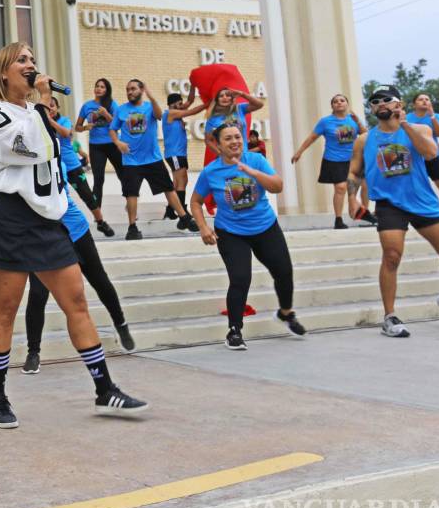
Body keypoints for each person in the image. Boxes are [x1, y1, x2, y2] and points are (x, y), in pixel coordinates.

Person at [0, 41, 147, 429]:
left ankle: (104, 389)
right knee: (6, 308)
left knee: (76, 300)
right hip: (7, 212)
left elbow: (55, 150)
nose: (31, 65)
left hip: (47, 215)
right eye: (23, 61)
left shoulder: (35, 111)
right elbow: (26, 148)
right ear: (4, 72)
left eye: (33, 60)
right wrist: (45, 100)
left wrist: (44, 108)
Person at [348, 86, 439, 338]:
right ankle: (390, 317)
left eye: (387, 100)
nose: (381, 104)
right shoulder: (364, 139)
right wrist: (352, 198)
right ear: (372, 108)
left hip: (421, 201)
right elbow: (354, 171)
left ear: (399, 104)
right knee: (392, 256)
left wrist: (404, 124)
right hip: (389, 204)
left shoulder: (419, 129)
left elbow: (430, 153)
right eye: (375, 101)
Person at [191, 123, 306, 350]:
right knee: (240, 278)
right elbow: (195, 201)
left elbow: (277, 187)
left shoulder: (256, 161)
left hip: (265, 227)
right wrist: (203, 227)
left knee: (283, 272)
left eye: (237, 137)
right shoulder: (211, 171)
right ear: (218, 144)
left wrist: (254, 173)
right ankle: (234, 330)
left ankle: (285, 313)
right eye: (228, 139)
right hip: (231, 232)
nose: (235, 142)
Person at [23, 175, 134, 374]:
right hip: (42, 237)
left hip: (75, 230)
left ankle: (121, 322)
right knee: (38, 293)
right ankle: (33, 352)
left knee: (98, 279)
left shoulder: (55, 161)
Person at [109, 79, 199, 240]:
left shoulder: (150, 107)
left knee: (168, 188)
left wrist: (151, 97)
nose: (130, 92)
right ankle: (132, 227)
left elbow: (158, 116)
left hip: (152, 158)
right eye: (127, 89)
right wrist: (118, 142)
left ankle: (184, 218)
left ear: (141, 90)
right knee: (131, 193)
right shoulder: (121, 110)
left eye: (133, 89)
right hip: (131, 160)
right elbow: (112, 129)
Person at [291, 94, 364, 229]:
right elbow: (312, 137)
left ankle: (356, 214)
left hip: (352, 160)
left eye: (342, 100)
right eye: (335, 101)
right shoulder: (325, 122)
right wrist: (299, 152)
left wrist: (359, 122)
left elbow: (366, 135)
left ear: (347, 104)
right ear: (332, 106)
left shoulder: (353, 120)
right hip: (333, 159)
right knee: (340, 187)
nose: (339, 103)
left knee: (352, 189)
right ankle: (338, 219)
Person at [43, 96, 114, 236]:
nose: (50, 108)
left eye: (52, 105)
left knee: (87, 194)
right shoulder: (41, 123)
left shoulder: (64, 121)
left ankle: (101, 222)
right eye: (47, 106)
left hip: (71, 165)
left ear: (58, 108)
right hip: (52, 167)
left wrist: (50, 120)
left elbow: (65, 133)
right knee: (56, 197)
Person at [76, 78, 124, 235]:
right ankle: (99, 217)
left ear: (106, 90)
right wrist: (85, 127)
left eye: (102, 87)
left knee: (123, 175)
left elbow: (117, 124)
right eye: (97, 86)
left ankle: (130, 205)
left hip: (112, 143)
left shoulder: (112, 104)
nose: (98, 89)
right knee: (98, 179)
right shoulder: (87, 106)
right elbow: (77, 127)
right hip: (96, 146)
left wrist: (107, 114)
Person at [405, 93, 439, 219]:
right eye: (420, 99)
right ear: (414, 104)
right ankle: (417, 211)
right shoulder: (407, 118)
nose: (424, 101)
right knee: (418, 186)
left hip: (431, 156)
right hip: (414, 158)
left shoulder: (436, 117)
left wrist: (432, 116)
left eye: (427, 99)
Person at [161, 91, 204, 220]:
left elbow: (190, 101)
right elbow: (192, 111)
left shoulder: (177, 113)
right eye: (179, 103)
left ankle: (170, 210)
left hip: (179, 154)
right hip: (174, 154)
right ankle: (182, 212)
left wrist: (193, 85)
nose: (182, 105)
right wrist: (207, 104)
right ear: (172, 104)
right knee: (182, 180)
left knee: (177, 182)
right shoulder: (170, 113)